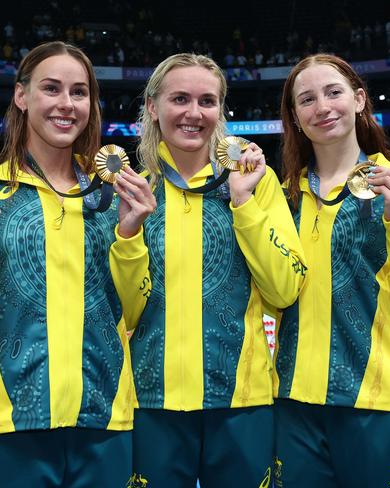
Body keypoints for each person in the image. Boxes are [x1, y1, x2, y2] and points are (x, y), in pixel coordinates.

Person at [0, 41, 156, 487]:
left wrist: (129, 236)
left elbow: (134, 309)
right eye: (51, 88)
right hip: (10, 422)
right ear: (21, 96)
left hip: (103, 418)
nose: (66, 104)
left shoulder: (113, 198)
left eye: (79, 92)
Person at [129, 52, 306, 487]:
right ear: (153, 107)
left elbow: (285, 289)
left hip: (242, 402)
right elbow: (120, 306)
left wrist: (244, 204)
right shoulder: (134, 191)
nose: (194, 113)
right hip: (151, 402)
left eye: (207, 101)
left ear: (220, 110)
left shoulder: (256, 182)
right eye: (180, 99)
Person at [274, 53, 390, 487]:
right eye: (306, 99)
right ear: (295, 117)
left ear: (359, 99)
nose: (322, 107)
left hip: (376, 405)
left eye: (334, 92)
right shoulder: (281, 197)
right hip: (292, 407)